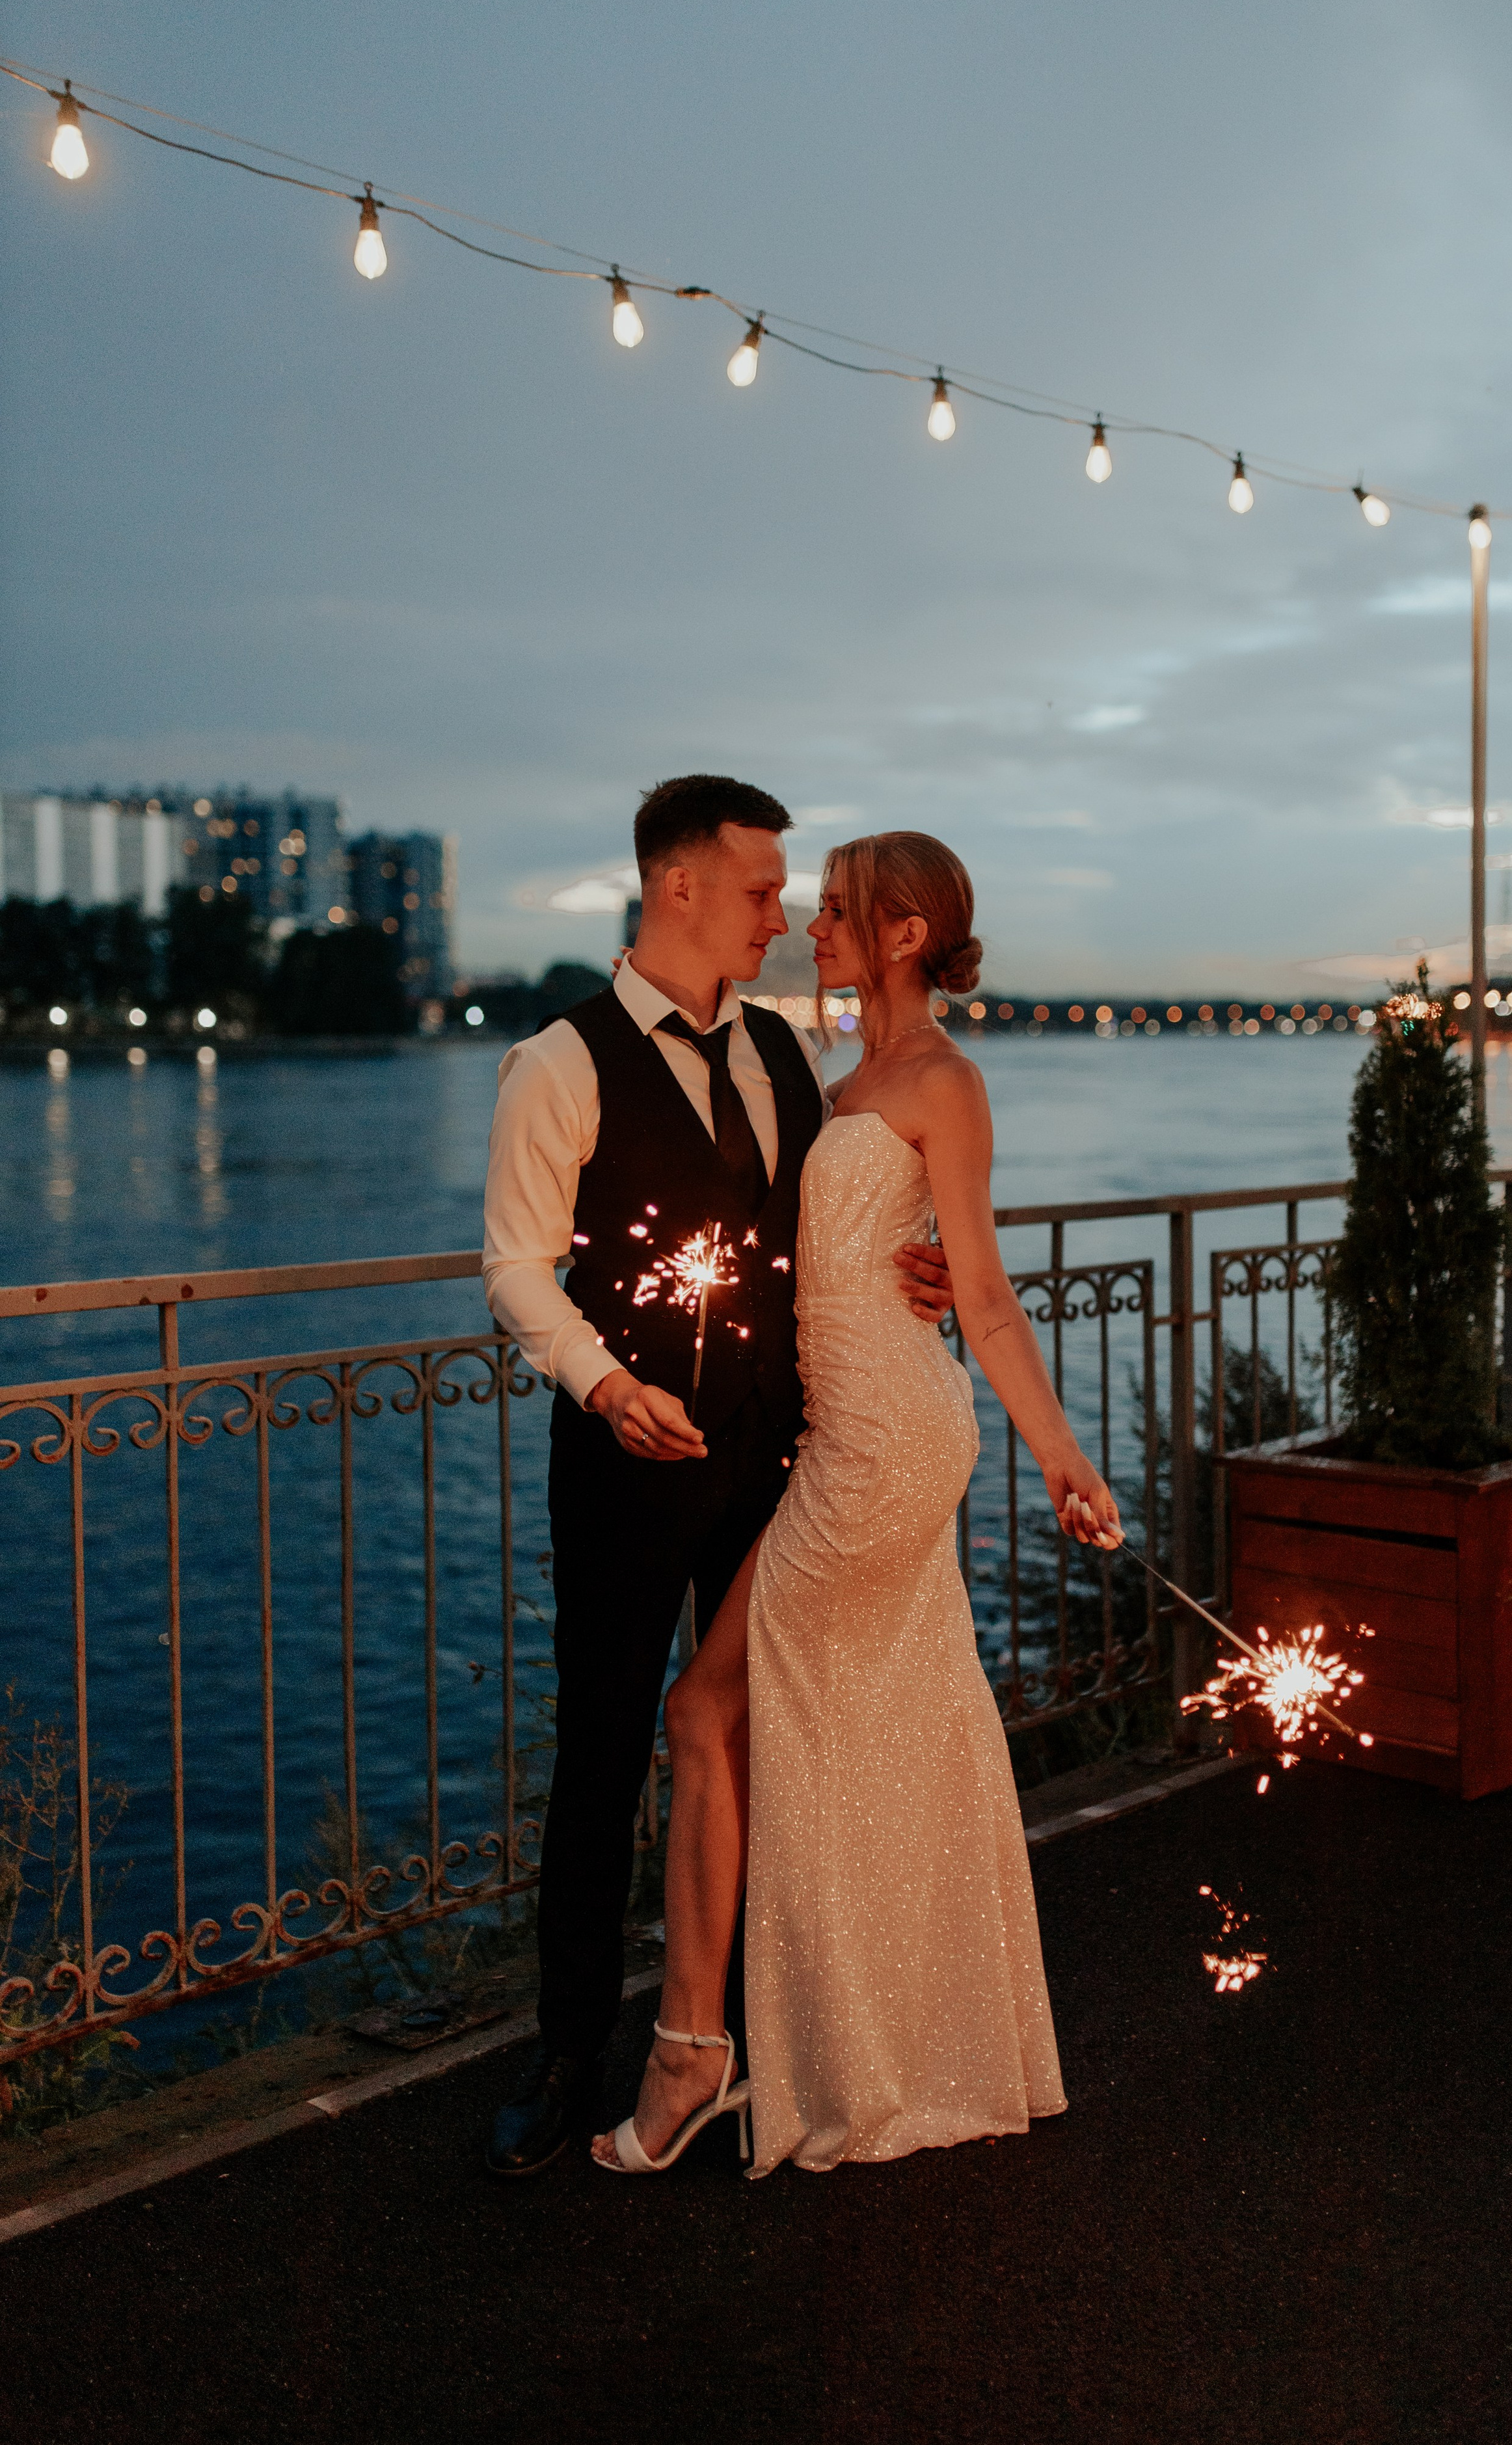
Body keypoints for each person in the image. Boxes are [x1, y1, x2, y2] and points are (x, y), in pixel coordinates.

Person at [593, 831, 1122, 2178]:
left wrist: (1059, 1457)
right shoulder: (839, 1079)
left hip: (886, 1439)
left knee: (710, 1708)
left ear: (900, 934)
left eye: (834, 911)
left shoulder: (942, 1078)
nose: (812, 927)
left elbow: (985, 1294)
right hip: (845, 1430)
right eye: (813, 908)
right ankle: (867, 2038)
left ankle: (695, 2058)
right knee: (879, 1730)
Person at [480, 777, 953, 2176]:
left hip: (773, 1456)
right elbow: (513, 1260)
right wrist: (605, 1384)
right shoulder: (555, 1063)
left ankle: (744, 2027)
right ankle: (571, 2052)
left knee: (754, 1729)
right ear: (677, 886)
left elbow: (822, 1230)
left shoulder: (784, 1056)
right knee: (605, 1745)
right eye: (760, 888)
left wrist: (909, 1271)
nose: (783, 914)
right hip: (624, 1460)